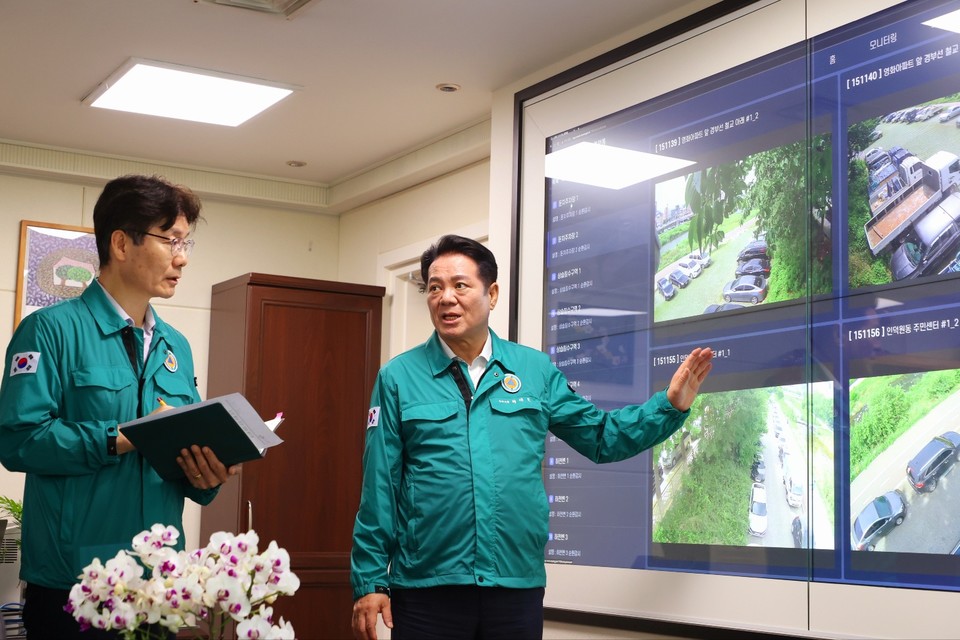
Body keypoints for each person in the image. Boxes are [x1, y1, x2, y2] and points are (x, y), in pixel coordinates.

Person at [350, 234, 714, 640]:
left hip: (514, 586)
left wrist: (669, 406)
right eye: (435, 288)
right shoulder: (398, 378)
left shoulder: (534, 371)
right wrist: (370, 580)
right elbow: (379, 486)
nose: (445, 298)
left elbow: (602, 437)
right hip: (426, 589)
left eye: (459, 285)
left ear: (491, 294)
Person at [0, 174, 239, 639]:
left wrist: (207, 474)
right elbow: (19, 440)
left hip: (159, 587)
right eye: (171, 240)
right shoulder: (49, 331)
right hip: (75, 586)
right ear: (121, 243)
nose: (183, 257)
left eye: (186, 242)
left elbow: (177, 453)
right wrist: (126, 436)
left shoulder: (176, 345)